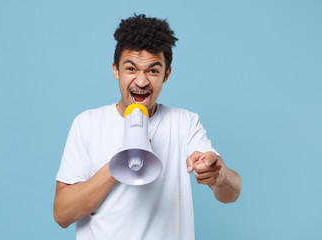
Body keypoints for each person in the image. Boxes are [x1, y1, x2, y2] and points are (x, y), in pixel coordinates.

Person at [53, 14, 242, 240]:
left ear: (166, 74)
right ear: (116, 70)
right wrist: (120, 160)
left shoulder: (184, 123)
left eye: (153, 71)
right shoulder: (87, 123)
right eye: (131, 69)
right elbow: (62, 215)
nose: (141, 82)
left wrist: (219, 176)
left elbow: (231, 193)